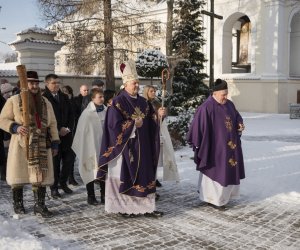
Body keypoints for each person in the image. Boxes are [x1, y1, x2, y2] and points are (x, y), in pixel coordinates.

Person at [96, 60, 163, 218]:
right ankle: (125, 209)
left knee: (145, 176)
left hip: (143, 147)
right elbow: (113, 126)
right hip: (126, 148)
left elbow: (151, 122)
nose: (137, 86)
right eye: (134, 83)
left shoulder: (143, 102)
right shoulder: (117, 103)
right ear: (126, 84)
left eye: (138, 83)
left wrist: (159, 117)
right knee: (126, 177)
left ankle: (147, 208)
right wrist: (132, 124)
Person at [0, 71, 59, 217]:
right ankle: (18, 204)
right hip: (21, 144)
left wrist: (55, 142)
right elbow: (3, 119)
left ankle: (39, 205)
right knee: (18, 176)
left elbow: (52, 124)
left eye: (35, 83)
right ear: (23, 84)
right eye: (30, 83)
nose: (34, 86)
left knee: (40, 176)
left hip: (41, 144)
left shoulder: (45, 102)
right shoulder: (13, 100)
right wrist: (15, 127)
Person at [186, 78, 245, 210]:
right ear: (215, 93)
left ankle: (223, 197)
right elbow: (197, 126)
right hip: (214, 147)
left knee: (227, 169)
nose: (225, 97)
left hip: (231, 145)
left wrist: (240, 124)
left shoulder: (229, 104)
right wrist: (198, 142)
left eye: (226, 94)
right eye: (223, 94)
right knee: (215, 170)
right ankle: (214, 199)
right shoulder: (206, 107)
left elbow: (236, 117)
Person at [72, 88, 107, 205]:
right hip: (89, 147)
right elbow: (82, 132)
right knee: (90, 170)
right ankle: (91, 195)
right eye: (99, 97)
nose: (102, 99)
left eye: (102, 97)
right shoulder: (87, 114)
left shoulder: (107, 110)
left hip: (103, 146)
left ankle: (104, 195)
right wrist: (85, 146)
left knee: (103, 170)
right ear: (92, 99)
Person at [43, 74, 75, 198]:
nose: (56, 85)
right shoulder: (44, 98)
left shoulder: (64, 97)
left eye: (58, 82)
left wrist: (67, 129)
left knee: (69, 160)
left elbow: (72, 115)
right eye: (53, 83)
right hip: (52, 136)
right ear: (47, 84)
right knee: (55, 164)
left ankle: (63, 182)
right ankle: (54, 187)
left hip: (66, 136)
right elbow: (46, 119)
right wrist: (57, 130)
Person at [143, 85, 180, 185]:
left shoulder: (157, 103)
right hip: (149, 133)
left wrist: (163, 114)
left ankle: (154, 178)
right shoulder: (143, 103)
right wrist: (157, 115)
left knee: (157, 157)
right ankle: (150, 181)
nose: (153, 93)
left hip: (160, 130)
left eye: (154, 91)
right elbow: (147, 119)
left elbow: (161, 118)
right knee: (150, 158)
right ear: (146, 92)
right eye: (151, 91)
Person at [61, 85, 79, 186]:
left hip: (73, 132)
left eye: (67, 92)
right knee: (64, 159)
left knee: (71, 157)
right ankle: (62, 179)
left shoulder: (74, 102)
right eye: (63, 92)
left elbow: (77, 115)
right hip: (63, 133)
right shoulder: (61, 103)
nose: (65, 94)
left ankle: (71, 177)